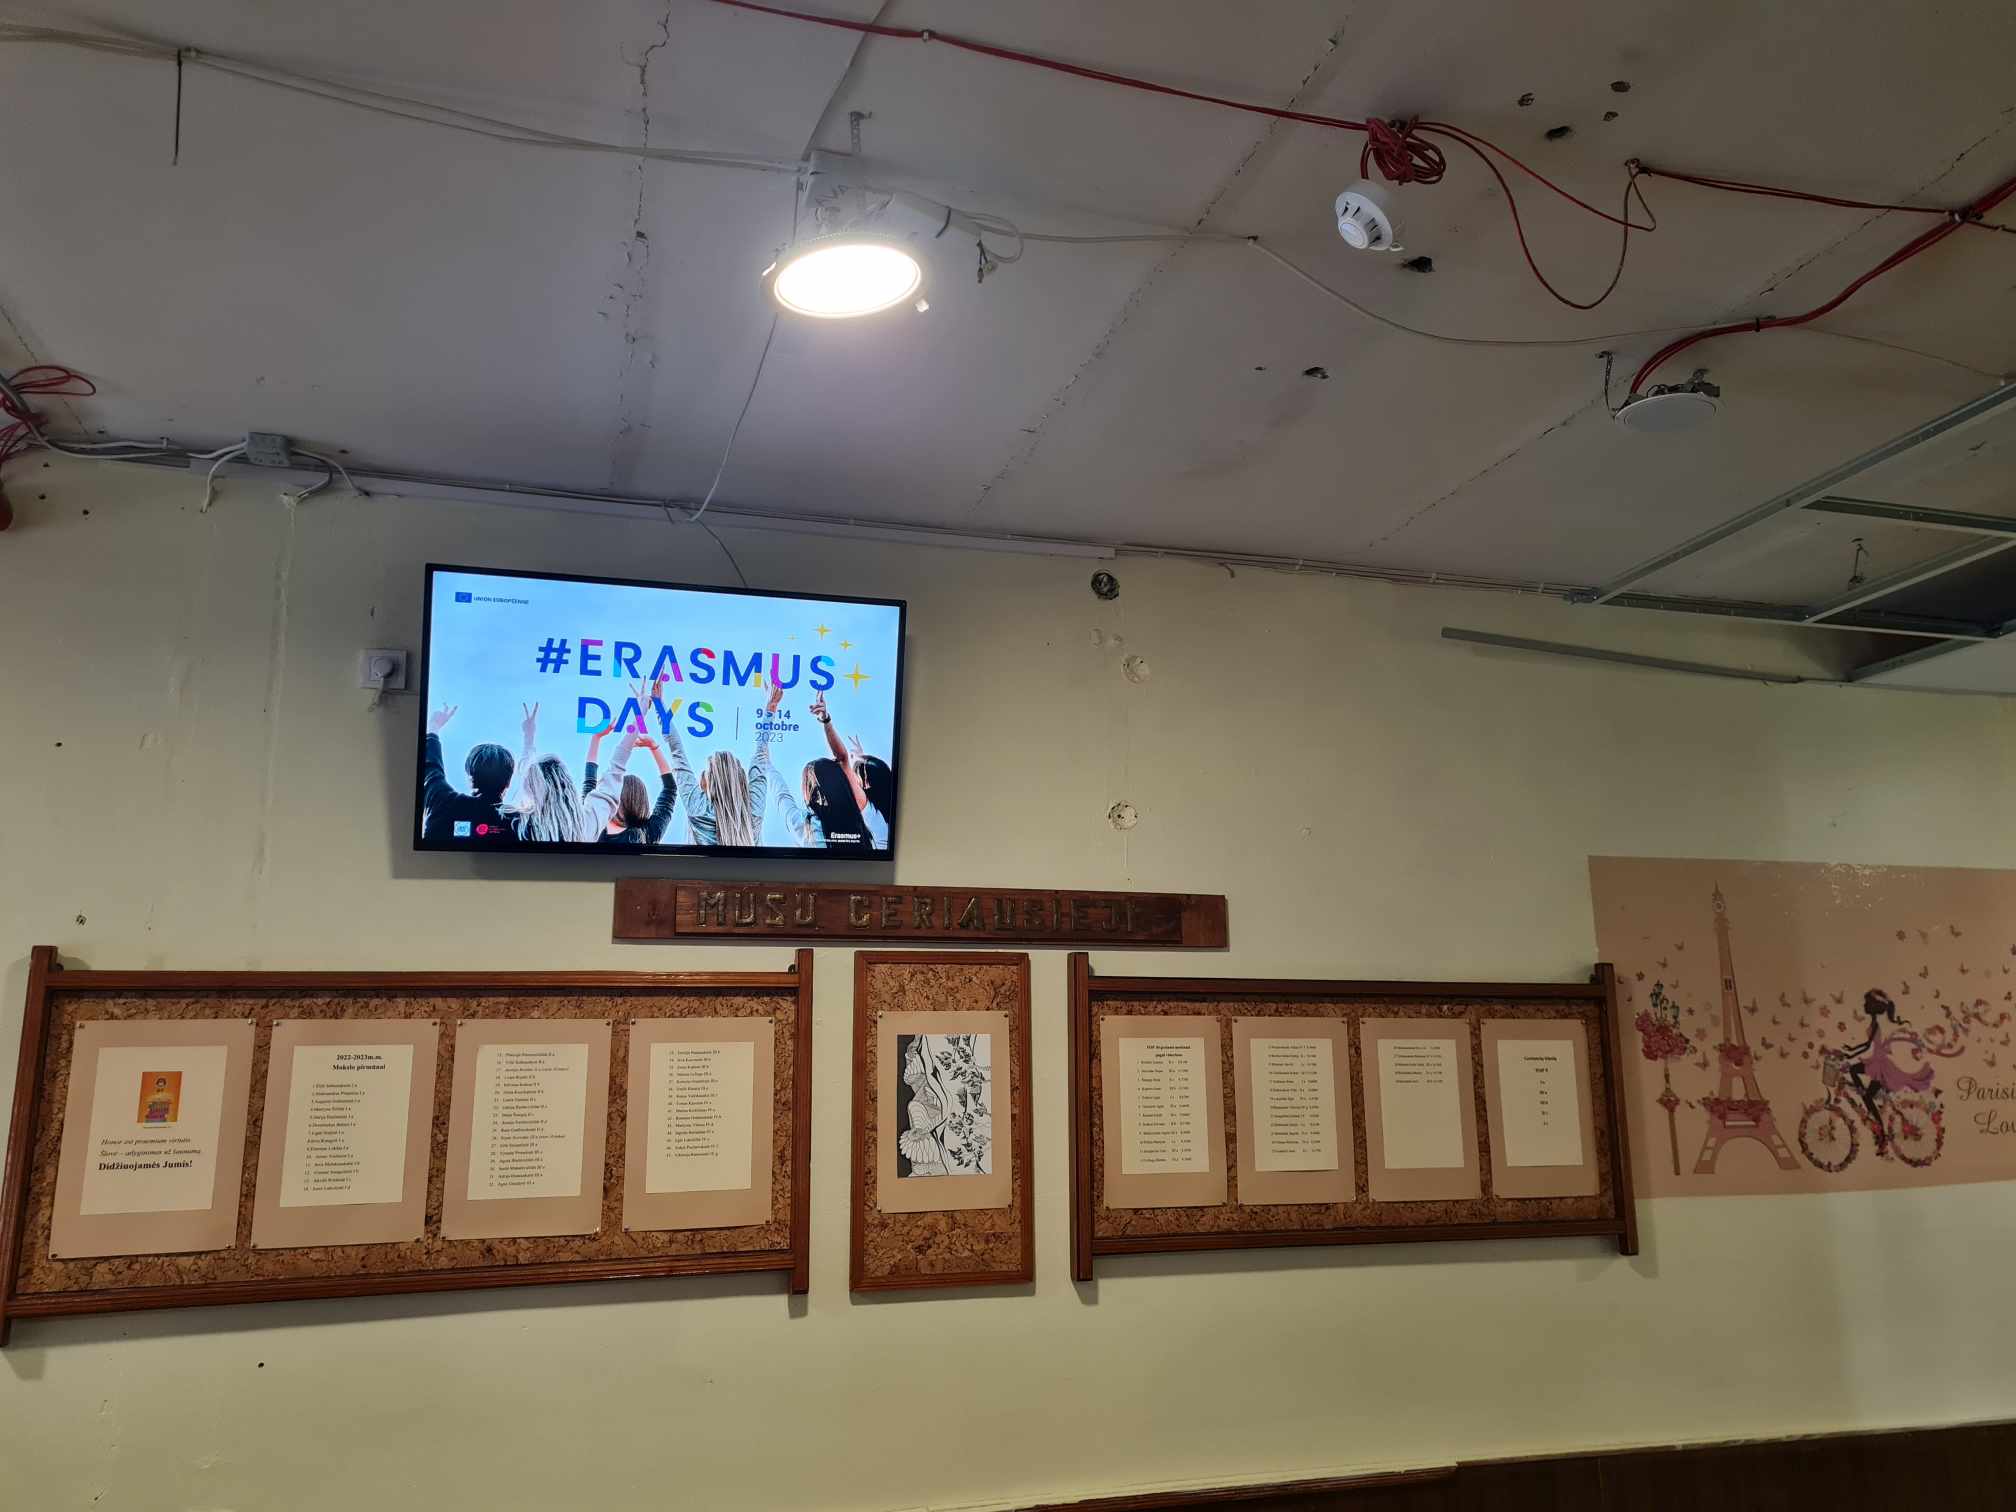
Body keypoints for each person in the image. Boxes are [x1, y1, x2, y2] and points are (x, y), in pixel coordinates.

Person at [508, 698, 639, 843]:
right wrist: (641, 711)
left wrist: (529, 738)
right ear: (567, 783)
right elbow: (617, 765)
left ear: (531, 787)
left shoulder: (518, 824)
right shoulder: (587, 824)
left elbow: (526, 778)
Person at [665, 683, 777, 848]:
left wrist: (658, 704)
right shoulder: (753, 809)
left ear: (710, 781)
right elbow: (761, 752)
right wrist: (770, 709)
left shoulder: (698, 808)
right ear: (739, 776)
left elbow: (676, 750)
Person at [1841, 988, 1933, 1148]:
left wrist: (1851, 1054)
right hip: (1878, 1062)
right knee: (1857, 1076)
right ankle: (1866, 1097)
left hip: (1879, 1064)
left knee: (1863, 1088)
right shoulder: (1875, 1023)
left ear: (1874, 1007)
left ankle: (1881, 1131)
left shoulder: (1876, 1024)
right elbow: (1867, 1044)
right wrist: (1851, 1050)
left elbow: (1867, 1046)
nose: (1864, 1005)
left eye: (1867, 1003)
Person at [808, 693, 893, 849]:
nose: (849, 776)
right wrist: (860, 757)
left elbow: (842, 758)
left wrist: (826, 720)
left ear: (866, 783)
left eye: (855, 773)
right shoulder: (883, 818)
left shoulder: (871, 815)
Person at [420, 705, 515, 842]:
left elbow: (431, 766)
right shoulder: (517, 821)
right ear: (508, 783)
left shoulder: (442, 802)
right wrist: (529, 738)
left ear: (471, 778)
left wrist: (433, 726)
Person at [585, 732, 678, 846]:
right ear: (642, 803)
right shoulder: (647, 834)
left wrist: (596, 738)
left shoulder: (594, 824)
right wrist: (654, 747)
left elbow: (589, 782)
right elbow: (670, 789)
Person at [774, 755, 874, 851]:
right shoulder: (859, 822)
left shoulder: (806, 825)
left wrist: (768, 766)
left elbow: (782, 796)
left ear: (810, 790)